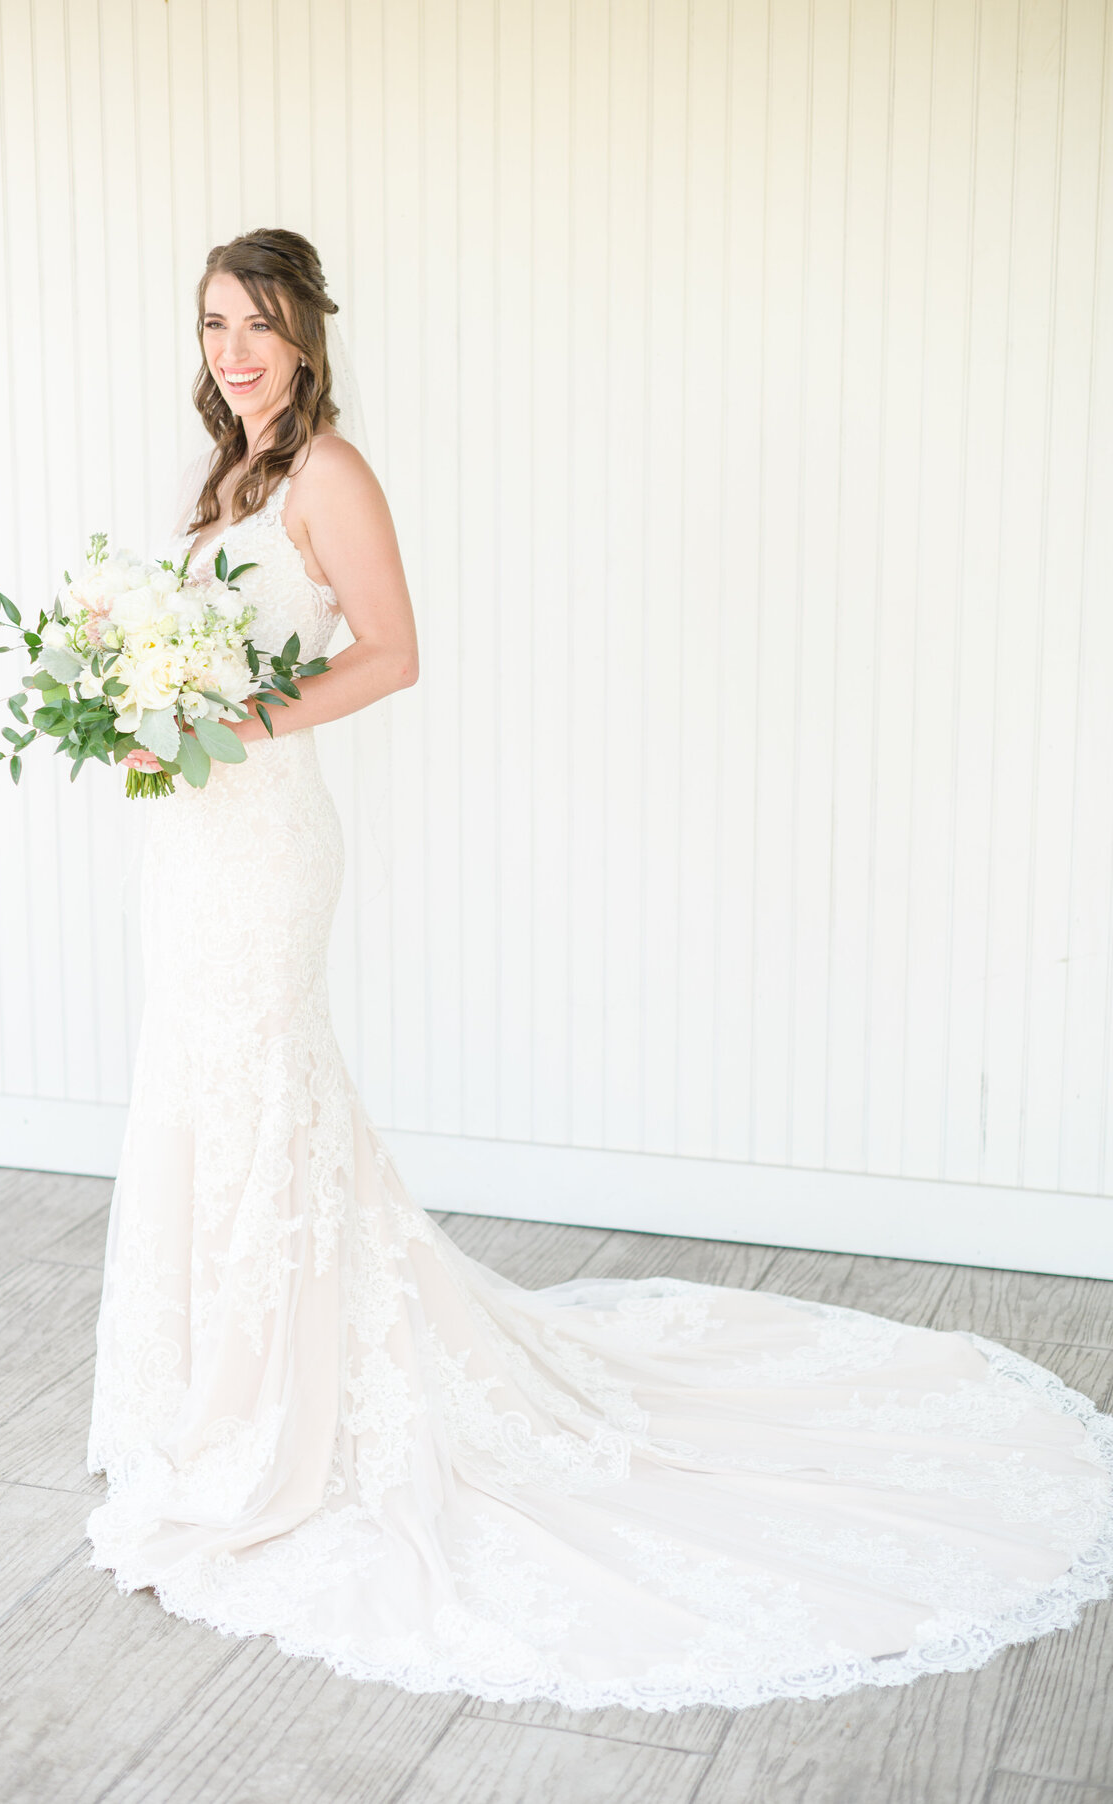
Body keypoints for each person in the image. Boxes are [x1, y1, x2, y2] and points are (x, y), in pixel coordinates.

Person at [87, 227, 1113, 1713]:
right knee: (200, 1094)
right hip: (186, 847)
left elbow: (391, 653)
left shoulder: (328, 475)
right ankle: (218, 1397)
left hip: (263, 846)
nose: (231, 351)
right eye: (211, 325)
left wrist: (232, 724)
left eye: (255, 323)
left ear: (307, 334)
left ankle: (289, 1418)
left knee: (260, 1090)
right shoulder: (226, 486)